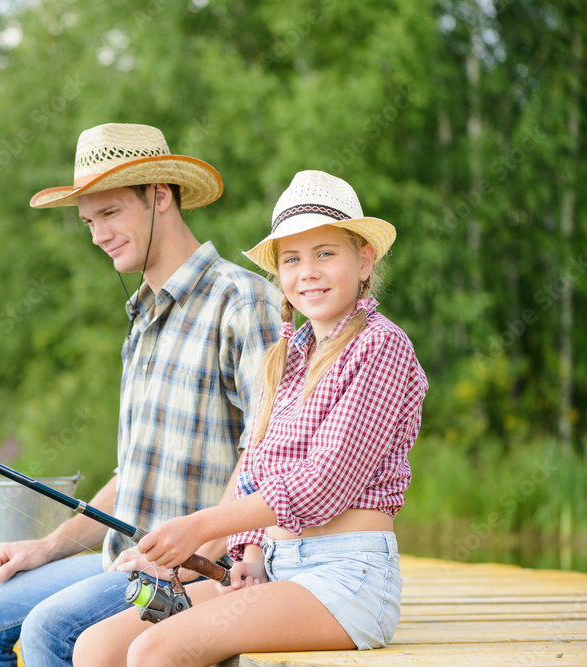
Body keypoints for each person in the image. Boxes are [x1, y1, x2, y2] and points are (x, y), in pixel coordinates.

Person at [0, 123, 282, 666]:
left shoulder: (242, 301)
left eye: (110, 213)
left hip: (198, 570)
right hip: (121, 560)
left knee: (50, 631)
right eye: (88, 221)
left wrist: (191, 556)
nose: (97, 235)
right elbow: (131, 477)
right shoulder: (142, 320)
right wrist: (48, 547)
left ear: (160, 196)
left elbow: (268, 455)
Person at [72, 170, 429, 667]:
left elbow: (324, 483)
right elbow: (257, 469)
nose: (308, 271)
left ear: (364, 259)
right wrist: (249, 554)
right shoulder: (285, 358)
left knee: (156, 651)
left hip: (346, 581)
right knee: (96, 649)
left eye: (325, 253)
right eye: (292, 259)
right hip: (278, 571)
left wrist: (200, 526)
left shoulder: (381, 346)